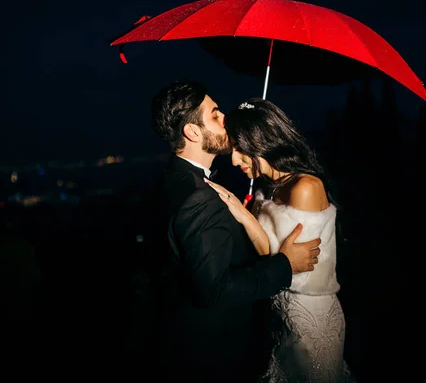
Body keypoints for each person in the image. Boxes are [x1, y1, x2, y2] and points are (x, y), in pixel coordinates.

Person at [148, 80, 322, 383]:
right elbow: (216, 289)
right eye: (214, 115)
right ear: (192, 132)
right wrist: (285, 263)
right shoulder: (196, 195)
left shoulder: (177, 180)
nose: (225, 119)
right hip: (218, 355)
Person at [205, 97, 356, 382]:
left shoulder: (306, 187)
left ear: (261, 141)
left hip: (309, 320)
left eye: (239, 148)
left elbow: (295, 268)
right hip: (282, 318)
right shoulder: (270, 188)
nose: (234, 158)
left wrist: (245, 216)